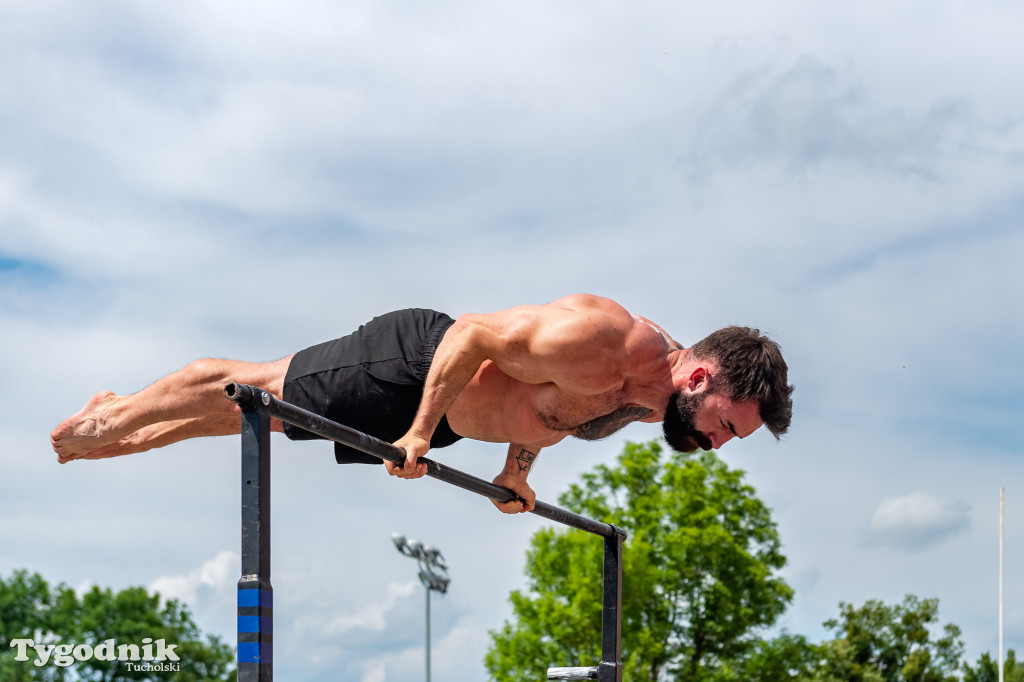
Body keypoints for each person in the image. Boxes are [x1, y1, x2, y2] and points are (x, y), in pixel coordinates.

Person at [50, 294, 793, 514]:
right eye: (727, 427)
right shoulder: (606, 342)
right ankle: (112, 417)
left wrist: (517, 470)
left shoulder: (650, 403)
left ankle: (132, 428)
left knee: (267, 416)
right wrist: (418, 427)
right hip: (420, 368)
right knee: (267, 385)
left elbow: (555, 416)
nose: (720, 445)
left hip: (443, 423)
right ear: (700, 380)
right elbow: (472, 336)